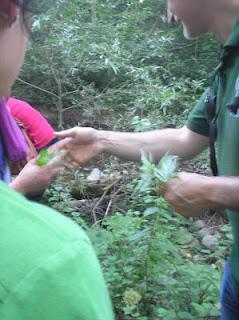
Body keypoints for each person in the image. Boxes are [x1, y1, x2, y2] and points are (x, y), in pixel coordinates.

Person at [56, 1, 239, 319]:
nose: (167, 14)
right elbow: (185, 140)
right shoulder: (229, 62)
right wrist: (101, 140)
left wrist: (216, 191)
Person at [0, 1, 114, 319]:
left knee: (40, 183)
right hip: (48, 146)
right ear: (14, 16)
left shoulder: (10, 108)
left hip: (49, 143)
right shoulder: (56, 264)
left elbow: (37, 146)